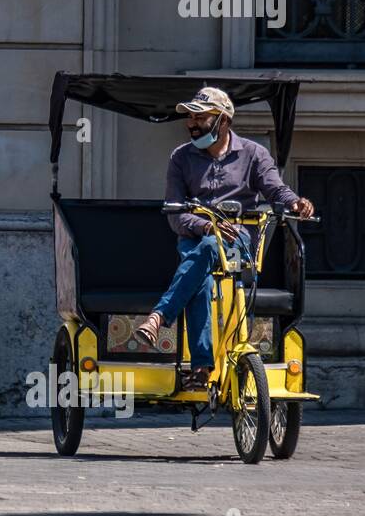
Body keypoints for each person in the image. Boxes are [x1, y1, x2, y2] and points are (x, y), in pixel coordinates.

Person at [132, 87, 315, 388]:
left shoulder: (254, 154)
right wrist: (206, 226)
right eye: (189, 117)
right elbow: (176, 215)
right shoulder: (181, 158)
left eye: (200, 117)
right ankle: (203, 368)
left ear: (223, 121)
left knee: (203, 254)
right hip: (196, 237)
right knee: (201, 266)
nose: (192, 123)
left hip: (239, 239)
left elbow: (275, 190)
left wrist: (296, 203)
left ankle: (159, 318)